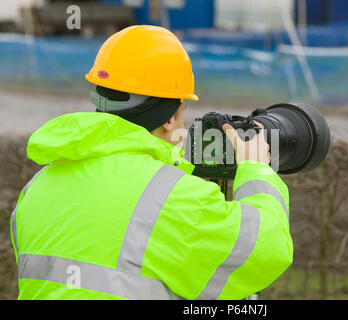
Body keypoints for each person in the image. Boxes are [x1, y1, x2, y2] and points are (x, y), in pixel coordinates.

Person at [10, 25, 293, 300]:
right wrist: (256, 168)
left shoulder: (36, 189)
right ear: (170, 118)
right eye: (183, 110)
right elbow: (266, 249)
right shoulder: (171, 198)